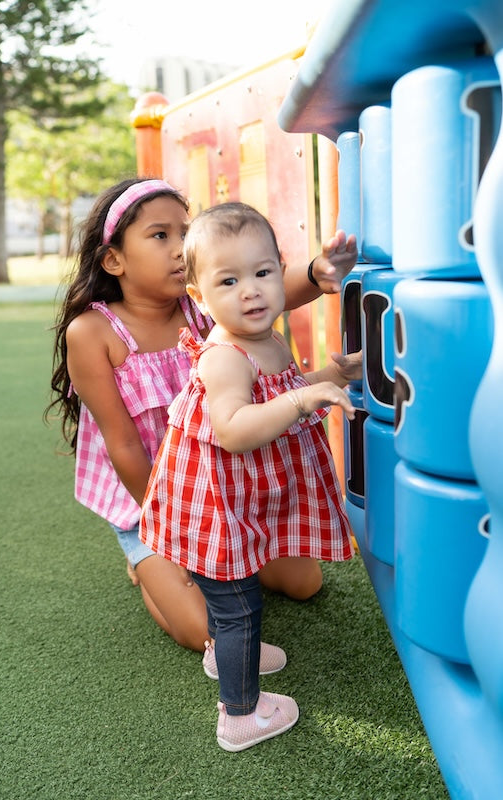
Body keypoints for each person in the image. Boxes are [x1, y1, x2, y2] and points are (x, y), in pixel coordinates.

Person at [46, 177, 358, 655]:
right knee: (206, 631)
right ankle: (147, 564)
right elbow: (124, 445)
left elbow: (266, 291)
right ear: (114, 260)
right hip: (152, 498)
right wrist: (175, 530)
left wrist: (318, 272)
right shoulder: (93, 332)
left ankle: (222, 554)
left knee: (304, 582)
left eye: (184, 231)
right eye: (160, 235)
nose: (179, 246)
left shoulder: (200, 309)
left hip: (221, 484)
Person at [139, 201, 362, 751]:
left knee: (231, 603)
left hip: (237, 502)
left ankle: (224, 651)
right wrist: (305, 399)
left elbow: (279, 394)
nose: (252, 291)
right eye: (229, 280)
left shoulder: (268, 339)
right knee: (239, 606)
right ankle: (240, 713)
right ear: (200, 296)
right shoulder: (225, 358)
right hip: (215, 509)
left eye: (263, 272)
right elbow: (236, 428)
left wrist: (329, 374)